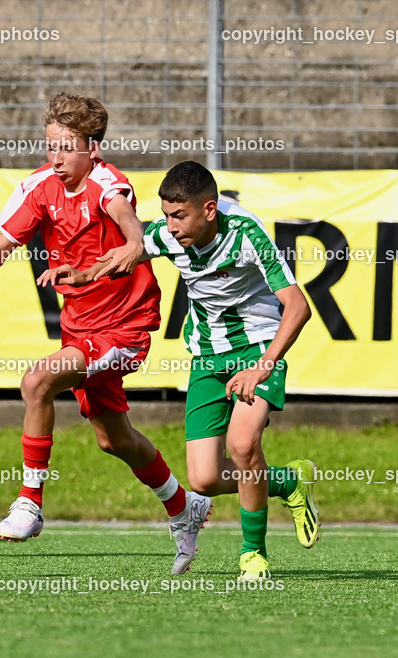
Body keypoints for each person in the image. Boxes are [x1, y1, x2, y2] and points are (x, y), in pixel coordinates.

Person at [0, 93, 211, 575]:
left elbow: (133, 231)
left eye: (68, 147)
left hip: (126, 329)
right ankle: (182, 506)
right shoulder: (38, 188)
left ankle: (29, 503)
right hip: (81, 331)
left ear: (93, 147)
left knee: (37, 381)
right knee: (115, 440)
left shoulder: (109, 185)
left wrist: (124, 252)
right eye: (51, 147)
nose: (57, 157)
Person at [40, 160, 319, 581]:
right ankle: (288, 481)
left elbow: (298, 307)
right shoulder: (169, 234)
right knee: (204, 480)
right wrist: (82, 275)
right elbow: (129, 252)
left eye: (179, 215)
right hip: (207, 358)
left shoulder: (246, 234)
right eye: (166, 215)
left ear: (209, 210)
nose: (169, 226)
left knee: (243, 446)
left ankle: (253, 555)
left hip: (258, 349)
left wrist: (263, 367)